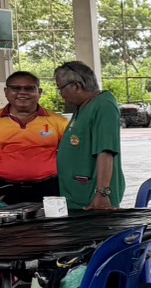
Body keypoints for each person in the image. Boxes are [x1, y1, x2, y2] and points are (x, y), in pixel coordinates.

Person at [53, 61, 124, 212]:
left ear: (76, 86)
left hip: (94, 199)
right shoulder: (83, 106)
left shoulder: (104, 106)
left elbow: (106, 151)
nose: (61, 95)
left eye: (60, 89)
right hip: (77, 195)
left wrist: (102, 193)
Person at [0, 70, 65, 203]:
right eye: (16, 88)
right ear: (6, 92)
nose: (22, 93)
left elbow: (72, 156)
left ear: (39, 92)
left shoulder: (59, 122)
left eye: (29, 88)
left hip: (50, 189)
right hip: (4, 189)